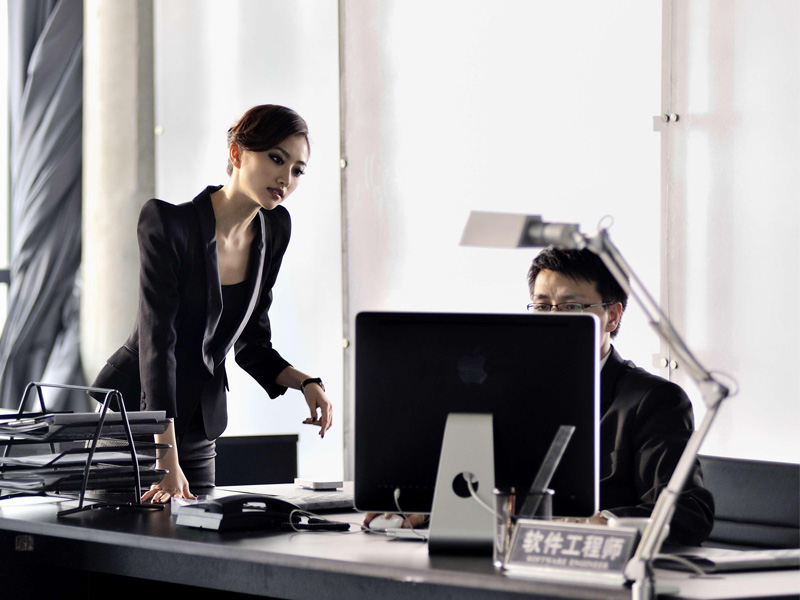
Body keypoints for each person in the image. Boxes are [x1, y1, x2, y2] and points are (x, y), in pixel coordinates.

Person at [93, 104, 333, 504]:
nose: (286, 179)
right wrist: (165, 459)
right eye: (277, 159)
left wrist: (306, 382)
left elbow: (252, 343)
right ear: (237, 153)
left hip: (198, 430)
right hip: (134, 424)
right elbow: (158, 346)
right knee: (125, 540)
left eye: (298, 170)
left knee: (197, 539)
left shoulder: (275, 229)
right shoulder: (168, 224)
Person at [527, 247, 714, 546]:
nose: (552, 319)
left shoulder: (653, 400)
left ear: (612, 316)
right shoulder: (518, 392)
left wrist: (603, 522)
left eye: (571, 306)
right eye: (541, 306)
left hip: (601, 562)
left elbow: (689, 512)